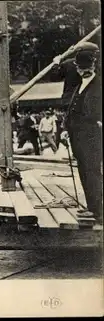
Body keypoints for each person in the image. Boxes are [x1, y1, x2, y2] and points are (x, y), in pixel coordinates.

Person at [57, 42, 102, 222]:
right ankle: (92, 207)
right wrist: (66, 129)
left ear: (93, 65)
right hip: (77, 135)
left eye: (86, 67)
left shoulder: (98, 85)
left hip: (91, 135)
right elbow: (71, 110)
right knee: (83, 170)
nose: (83, 70)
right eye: (80, 67)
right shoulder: (77, 86)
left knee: (92, 171)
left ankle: (98, 210)